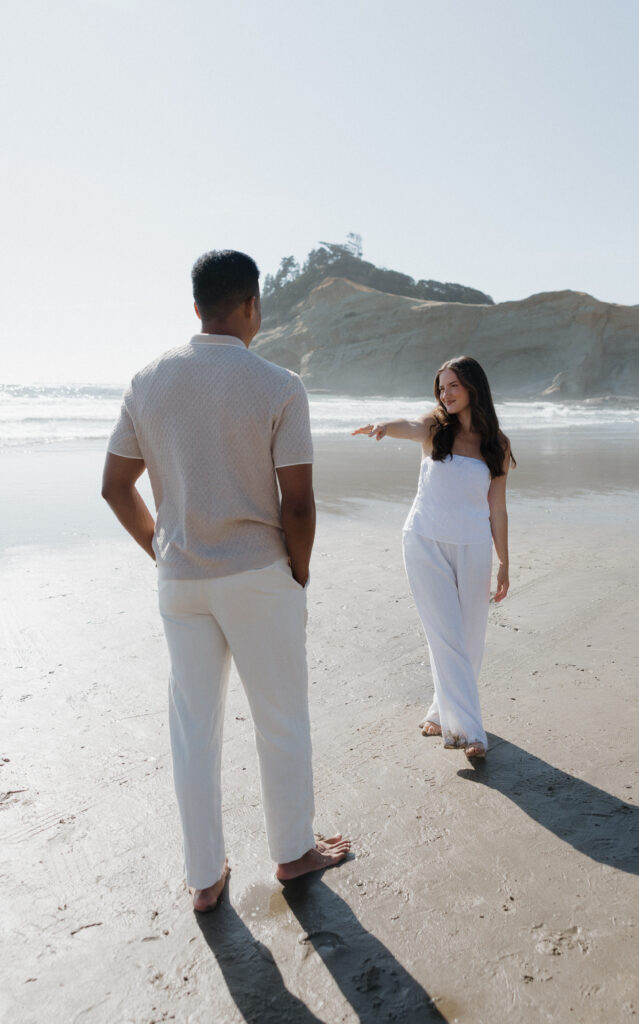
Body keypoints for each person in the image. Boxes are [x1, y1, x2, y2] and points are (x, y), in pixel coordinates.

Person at [102, 249, 350, 912]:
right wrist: (298, 570)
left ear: (196, 308)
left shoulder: (146, 380)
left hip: (181, 581)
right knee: (280, 717)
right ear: (252, 307)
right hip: (257, 575)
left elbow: (115, 487)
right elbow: (297, 502)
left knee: (193, 725)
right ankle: (294, 852)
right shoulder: (278, 385)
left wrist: (161, 548)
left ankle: (204, 877)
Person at [353, 356, 513, 762]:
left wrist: (504, 562)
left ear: (474, 387)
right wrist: (383, 427)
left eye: (453, 385)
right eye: (441, 387)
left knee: (471, 639)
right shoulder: (434, 427)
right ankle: (469, 731)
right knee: (445, 635)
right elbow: (408, 426)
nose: (446, 394)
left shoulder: (497, 444)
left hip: (474, 546)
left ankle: (442, 711)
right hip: (424, 541)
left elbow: (497, 508)